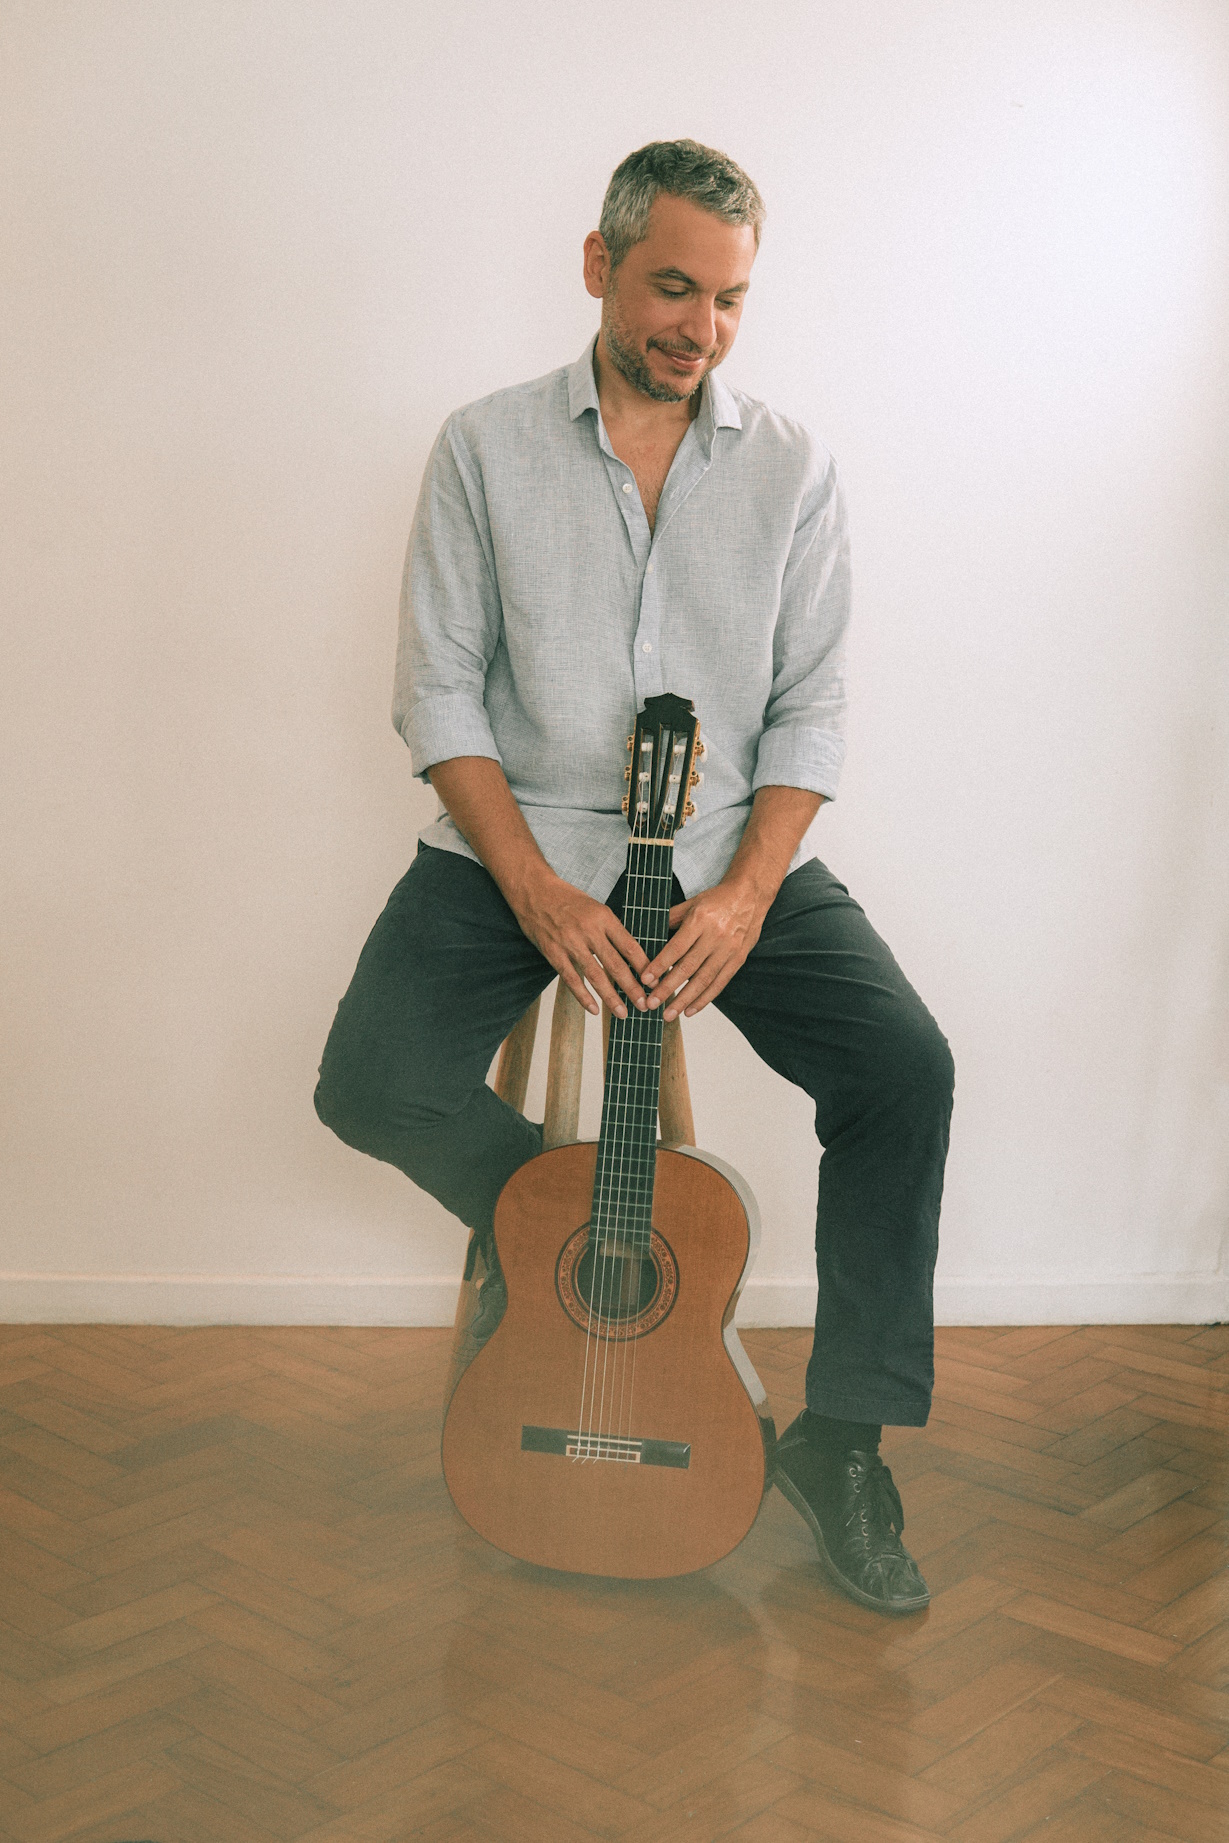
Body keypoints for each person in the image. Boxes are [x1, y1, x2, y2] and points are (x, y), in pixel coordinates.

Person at [315, 139, 954, 1616]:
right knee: (367, 1081)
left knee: (902, 1071)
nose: (700, 329)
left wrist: (744, 896)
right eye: (673, 288)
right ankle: (561, 1243)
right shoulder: (483, 446)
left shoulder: (792, 466)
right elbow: (438, 695)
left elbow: (809, 711)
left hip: (724, 849)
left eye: (729, 300)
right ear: (599, 265)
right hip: (520, 843)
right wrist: (538, 890)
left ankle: (843, 1443)